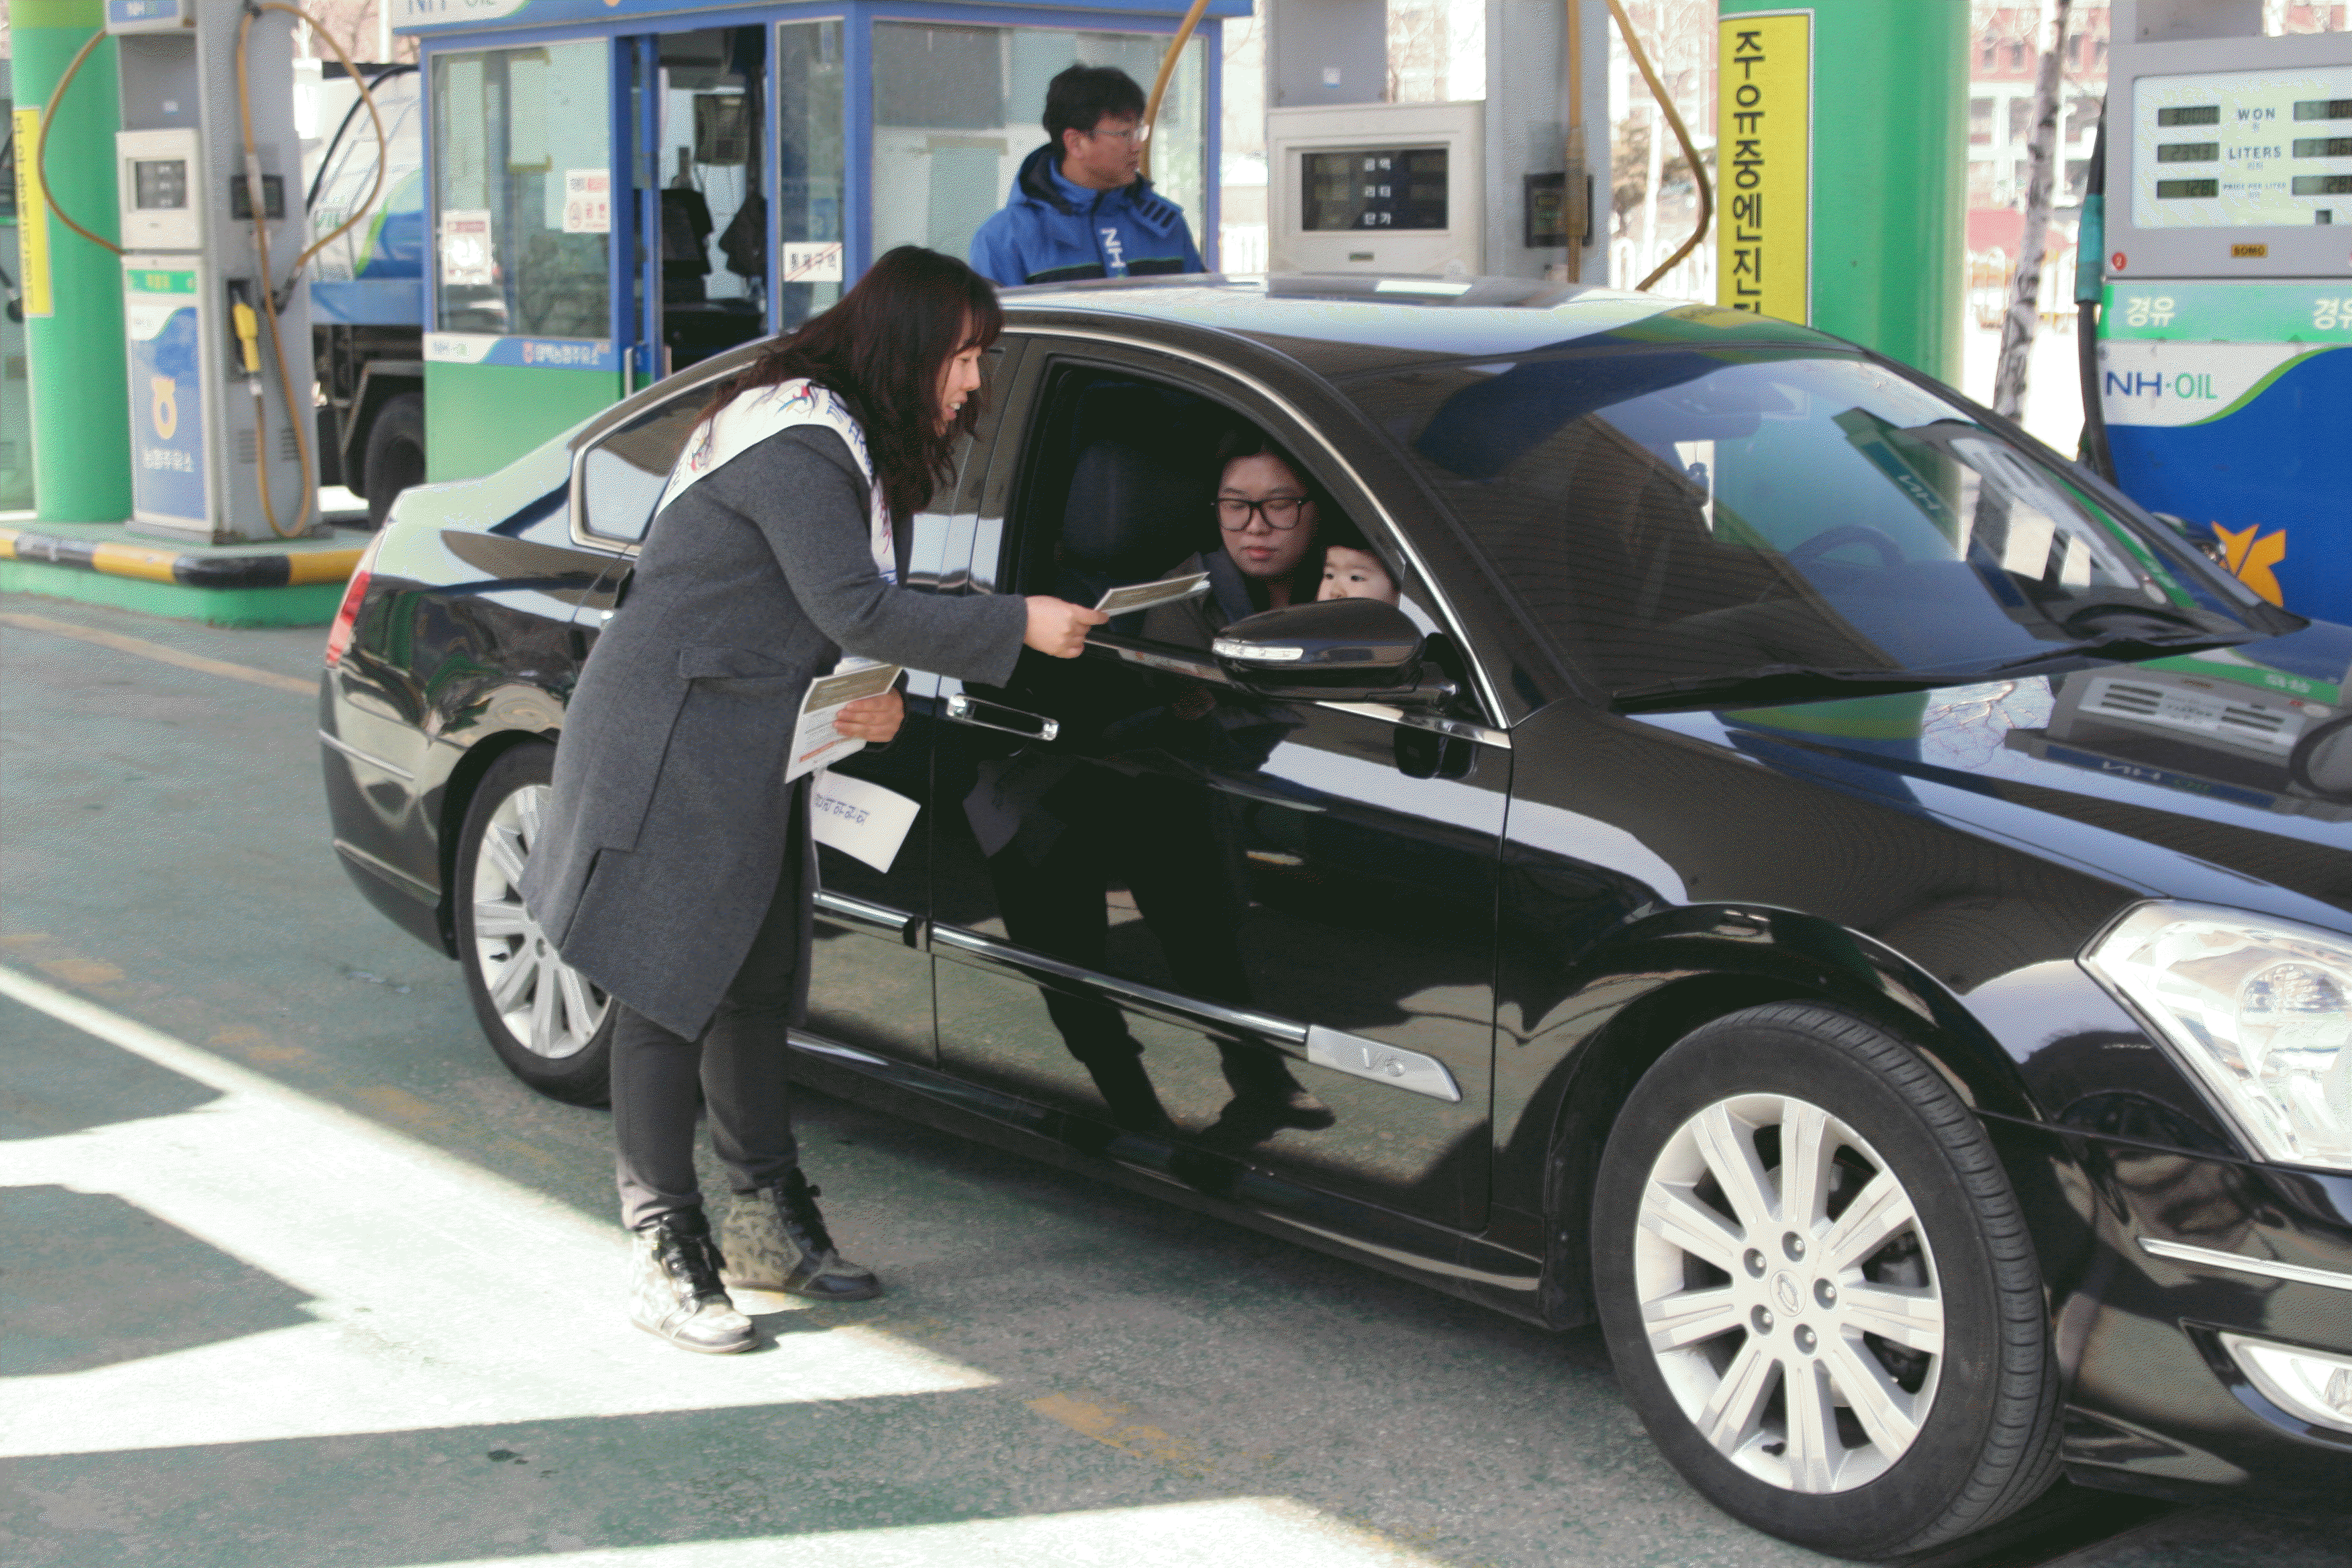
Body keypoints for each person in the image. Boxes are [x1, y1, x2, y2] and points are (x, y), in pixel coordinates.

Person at [521, 246, 1108, 1355]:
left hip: (746, 730)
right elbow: (856, 605)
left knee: (751, 982)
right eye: (964, 356)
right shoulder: (799, 439)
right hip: (673, 734)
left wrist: (862, 701)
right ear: (906, 348)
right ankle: (663, 1244)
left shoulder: (840, 434)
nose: (974, 382)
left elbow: (825, 610)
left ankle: (764, 1221)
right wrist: (1017, 624)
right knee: (662, 989)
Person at [969, 64, 1205, 289]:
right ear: (1076, 143)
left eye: (1139, 132)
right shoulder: (1005, 239)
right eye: (1125, 134)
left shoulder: (1167, 225)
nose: (1138, 146)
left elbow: (1200, 309)